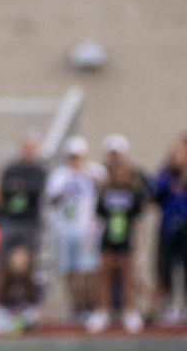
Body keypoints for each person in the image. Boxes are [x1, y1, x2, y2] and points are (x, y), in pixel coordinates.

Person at [44, 136, 105, 324]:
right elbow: (52, 199)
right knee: (69, 271)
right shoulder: (59, 175)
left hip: (86, 229)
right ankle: (76, 308)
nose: (75, 160)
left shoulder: (93, 171)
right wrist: (66, 186)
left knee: (87, 270)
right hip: (64, 229)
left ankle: (90, 307)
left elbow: (105, 187)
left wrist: (84, 174)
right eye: (72, 156)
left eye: (78, 156)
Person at [87, 158, 145, 334]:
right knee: (104, 277)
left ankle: (130, 312)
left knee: (127, 277)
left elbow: (137, 221)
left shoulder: (132, 194)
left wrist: (139, 242)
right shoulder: (105, 194)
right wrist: (90, 240)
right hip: (108, 239)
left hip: (125, 240)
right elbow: (98, 218)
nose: (120, 175)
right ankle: (102, 312)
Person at [152, 141, 187, 325]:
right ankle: (170, 305)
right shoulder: (166, 174)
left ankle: (184, 306)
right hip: (168, 228)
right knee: (166, 269)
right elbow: (154, 193)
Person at [0, 134, 47, 257]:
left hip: (30, 220)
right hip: (10, 218)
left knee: (30, 254)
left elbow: (37, 189)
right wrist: (23, 187)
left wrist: (18, 187)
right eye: (26, 147)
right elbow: (4, 188)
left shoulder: (39, 170)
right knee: (5, 254)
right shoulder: (11, 169)